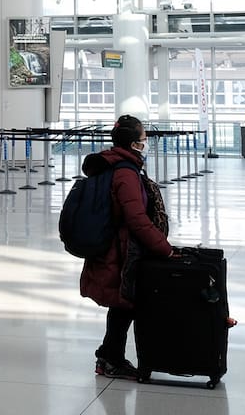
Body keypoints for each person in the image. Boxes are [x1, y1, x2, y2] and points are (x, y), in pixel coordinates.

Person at [79, 115, 174, 380]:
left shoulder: (111, 164)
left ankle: (109, 356)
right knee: (126, 303)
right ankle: (110, 358)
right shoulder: (125, 173)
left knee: (123, 304)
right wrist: (164, 248)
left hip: (113, 245)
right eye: (144, 139)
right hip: (121, 250)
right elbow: (136, 219)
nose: (146, 143)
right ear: (134, 144)